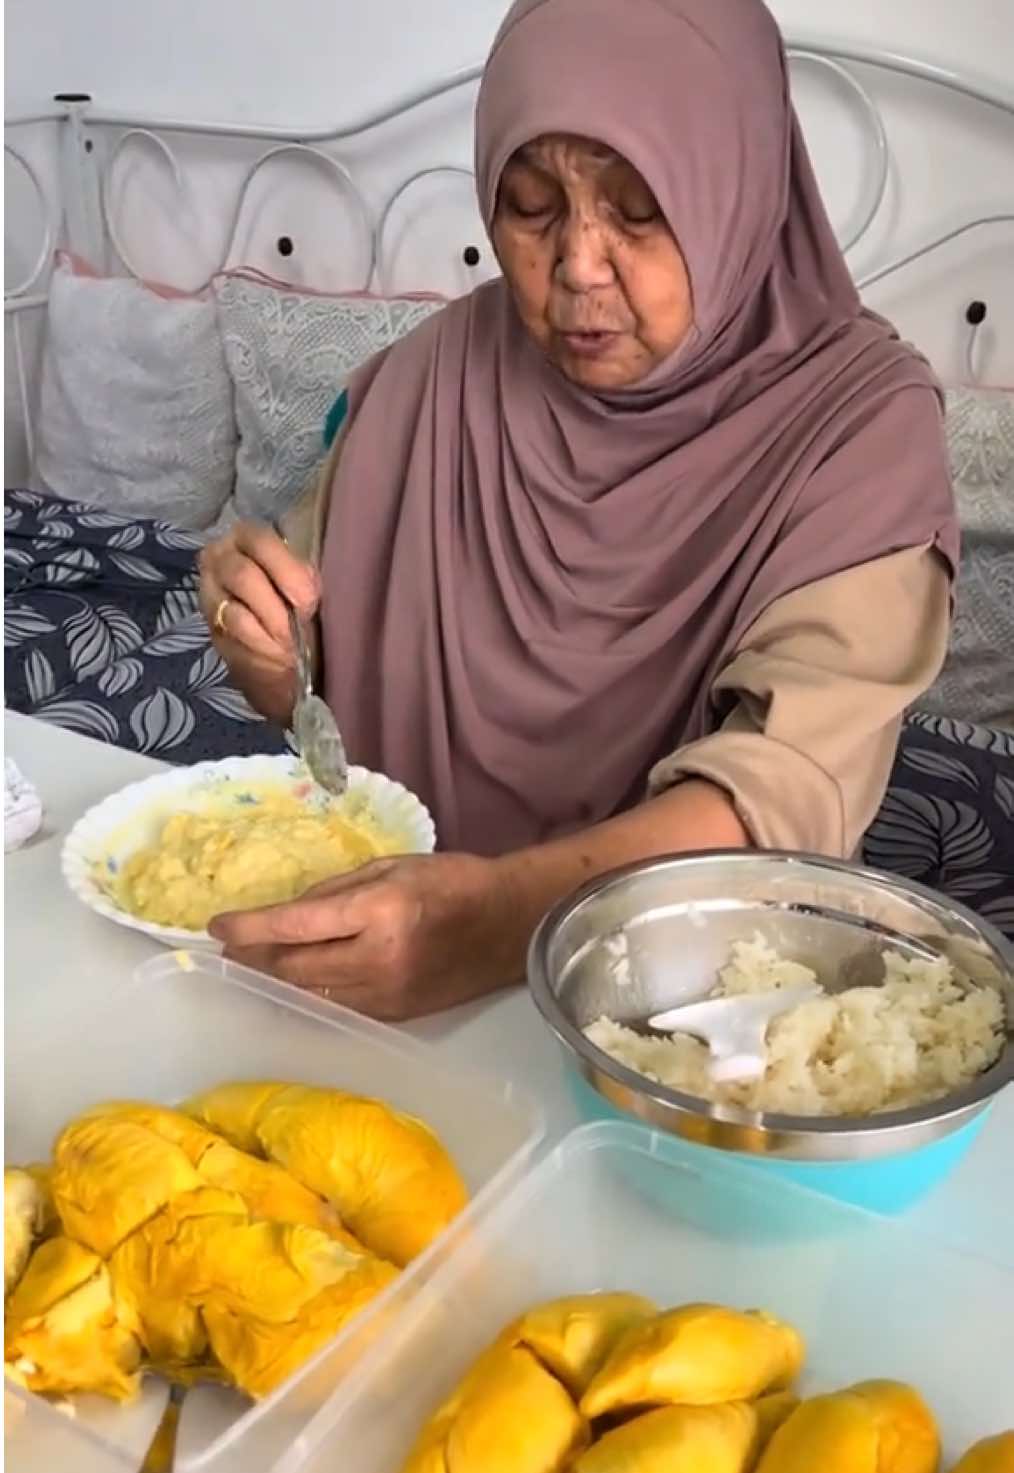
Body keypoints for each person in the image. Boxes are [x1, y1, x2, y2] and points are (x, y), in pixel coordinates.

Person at [198, 0, 956, 1020]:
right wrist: (267, 649)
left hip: (693, 1001)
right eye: (528, 203)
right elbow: (314, 682)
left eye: (640, 208)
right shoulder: (429, 379)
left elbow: (787, 791)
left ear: (735, 191)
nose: (578, 266)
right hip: (385, 953)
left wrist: (499, 921)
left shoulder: (861, 426)